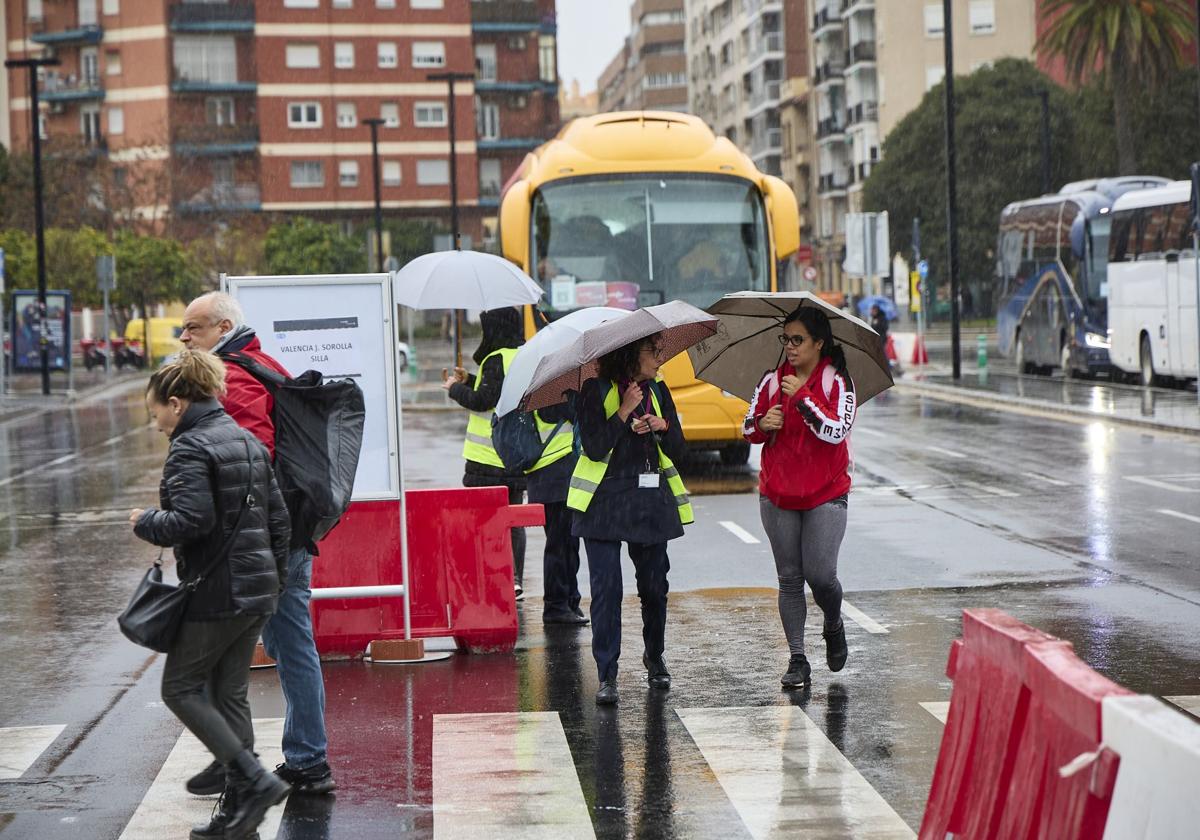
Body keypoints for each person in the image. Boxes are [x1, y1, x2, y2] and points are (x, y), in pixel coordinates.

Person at [179, 291, 336, 796]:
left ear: (223, 327)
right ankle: (292, 760)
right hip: (279, 530)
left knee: (228, 648)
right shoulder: (257, 361)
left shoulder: (237, 373)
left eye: (194, 328)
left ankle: (262, 762)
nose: (184, 337)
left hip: (260, 538)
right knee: (283, 646)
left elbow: (251, 456)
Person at [131, 351, 292, 839]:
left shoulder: (189, 447)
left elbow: (191, 520)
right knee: (228, 693)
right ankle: (237, 811)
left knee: (179, 688)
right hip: (257, 588)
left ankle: (250, 778)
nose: (155, 421)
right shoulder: (243, 439)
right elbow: (279, 521)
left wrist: (145, 523)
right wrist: (273, 580)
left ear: (176, 403)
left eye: (155, 409)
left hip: (218, 590)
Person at [568, 333, 693, 706]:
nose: (659, 360)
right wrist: (623, 412)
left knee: (654, 587)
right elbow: (593, 446)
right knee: (606, 591)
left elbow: (680, 450)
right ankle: (607, 673)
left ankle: (654, 656)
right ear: (628, 355)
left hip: (648, 501)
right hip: (604, 503)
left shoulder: (659, 391)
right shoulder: (595, 390)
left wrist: (661, 427)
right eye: (652, 352)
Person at [743, 305, 855, 689]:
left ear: (818, 343)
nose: (790, 347)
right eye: (785, 339)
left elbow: (837, 430)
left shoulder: (836, 381)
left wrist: (804, 398)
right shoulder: (772, 381)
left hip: (827, 492)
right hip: (778, 493)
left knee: (821, 576)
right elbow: (746, 426)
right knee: (790, 578)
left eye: (798, 340)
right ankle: (797, 658)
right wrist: (762, 423)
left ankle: (833, 622)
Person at [443, 307, 528, 598]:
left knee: (485, 521)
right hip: (516, 456)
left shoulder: (495, 359)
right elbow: (501, 391)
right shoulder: (521, 356)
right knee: (514, 518)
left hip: (487, 459)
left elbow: (483, 401)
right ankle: (515, 578)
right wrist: (470, 379)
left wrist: (455, 388)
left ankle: (491, 574)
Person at [526, 396, 587, 626]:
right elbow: (571, 413)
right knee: (560, 546)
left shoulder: (547, 386)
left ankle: (569, 600)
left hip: (553, 476)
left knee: (568, 544)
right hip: (554, 475)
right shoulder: (550, 392)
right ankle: (556, 606)